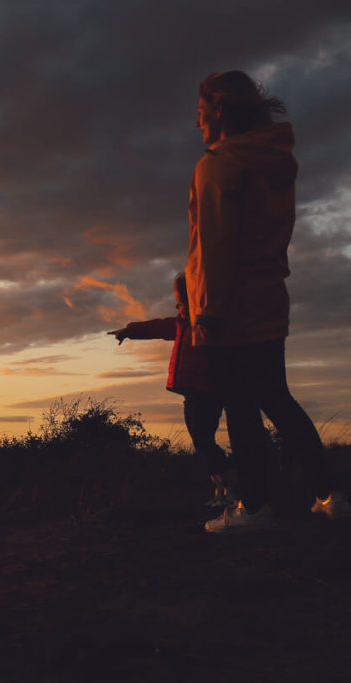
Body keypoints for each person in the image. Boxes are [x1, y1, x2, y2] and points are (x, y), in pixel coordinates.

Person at [186, 71, 348, 533]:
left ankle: (254, 508)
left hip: (230, 305)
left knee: (240, 405)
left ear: (218, 113)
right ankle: (329, 494)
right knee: (275, 397)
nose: (197, 126)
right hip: (268, 296)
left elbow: (213, 245)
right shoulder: (271, 161)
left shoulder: (217, 166)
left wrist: (208, 311)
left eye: (200, 116)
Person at [109, 272, 231, 506]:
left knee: (204, 441)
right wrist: (129, 331)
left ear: (197, 299)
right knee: (201, 440)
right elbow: (155, 327)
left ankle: (232, 484)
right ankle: (221, 488)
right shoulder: (180, 324)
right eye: (177, 302)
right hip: (191, 392)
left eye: (182, 302)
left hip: (206, 391)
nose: (179, 307)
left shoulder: (208, 325)